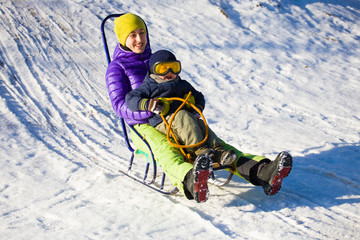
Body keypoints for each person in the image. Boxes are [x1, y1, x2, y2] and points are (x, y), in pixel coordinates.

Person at [105, 13, 293, 203]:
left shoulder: (158, 59)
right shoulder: (117, 68)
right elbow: (120, 106)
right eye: (133, 35)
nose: (139, 39)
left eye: (142, 33)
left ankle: (262, 172)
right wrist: (154, 108)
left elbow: (182, 87)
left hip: (177, 115)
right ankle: (191, 181)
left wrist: (191, 104)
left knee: (215, 144)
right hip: (144, 124)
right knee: (167, 150)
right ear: (123, 38)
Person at [125, 49, 237, 167]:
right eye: (163, 68)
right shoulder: (150, 86)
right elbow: (130, 98)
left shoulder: (183, 84)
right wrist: (147, 104)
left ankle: (218, 151)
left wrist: (195, 107)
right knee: (183, 116)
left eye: (174, 67)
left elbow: (199, 96)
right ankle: (199, 150)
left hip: (185, 119)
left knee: (200, 123)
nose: (169, 71)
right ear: (154, 70)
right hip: (163, 121)